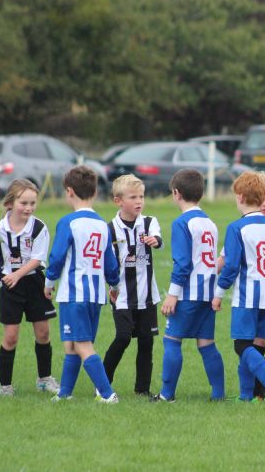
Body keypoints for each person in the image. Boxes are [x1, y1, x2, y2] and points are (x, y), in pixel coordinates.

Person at [213, 171, 265, 403]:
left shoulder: (237, 228)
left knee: (241, 345)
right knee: (255, 344)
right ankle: (246, 395)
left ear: (240, 197)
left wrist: (218, 294)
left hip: (248, 296)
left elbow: (230, 267)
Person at [44, 166, 121, 403]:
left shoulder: (69, 222)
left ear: (69, 191)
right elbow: (110, 261)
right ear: (95, 192)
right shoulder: (102, 224)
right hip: (95, 294)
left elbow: (56, 257)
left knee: (82, 343)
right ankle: (65, 393)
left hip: (74, 293)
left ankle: (108, 395)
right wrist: (114, 285)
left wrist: (48, 282)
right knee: (71, 344)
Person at [0, 179, 58, 396]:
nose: (29, 208)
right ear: (10, 203)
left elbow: (38, 259)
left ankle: (44, 378)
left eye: (32, 203)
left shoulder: (39, 228)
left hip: (34, 282)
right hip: (10, 287)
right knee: (11, 336)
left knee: (43, 332)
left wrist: (17, 274)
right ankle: (5, 385)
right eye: (24, 203)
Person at [153, 169, 224, 402]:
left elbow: (183, 264)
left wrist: (172, 295)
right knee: (206, 344)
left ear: (176, 193)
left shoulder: (182, 222)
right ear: (201, 194)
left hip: (188, 294)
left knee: (172, 340)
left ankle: (166, 395)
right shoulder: (210, 223)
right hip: (208, 292)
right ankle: (218, 395)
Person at [102, 175, 163, 397]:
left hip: (147, 295)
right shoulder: (109, 229)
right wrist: (110, 286)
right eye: (133, 197)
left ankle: (142, 389)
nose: (139, 201)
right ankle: (103, 383)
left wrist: (154, 241)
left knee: (146, 342)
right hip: (122, 295)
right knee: (123, 337)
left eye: (141, 196)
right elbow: (105, 262)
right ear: (118, 201)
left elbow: (157, 238)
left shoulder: (148, 222)